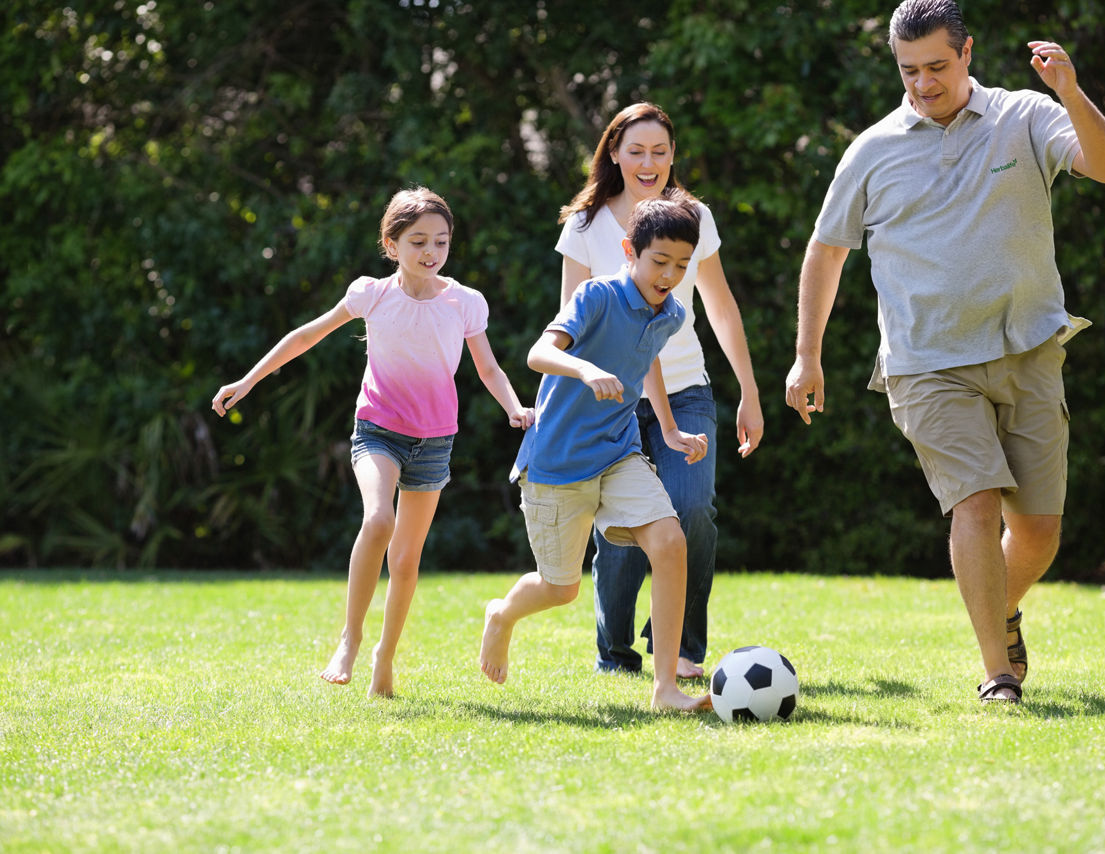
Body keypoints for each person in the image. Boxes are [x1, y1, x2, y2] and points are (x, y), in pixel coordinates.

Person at [784, 0, 1105, 703]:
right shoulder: (872, 150)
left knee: (1038, 531)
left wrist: (1070, 92)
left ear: (967, 52)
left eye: (937, 66)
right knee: (974, 503)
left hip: (1029, 347)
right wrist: (806, 354)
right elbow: (826, 251)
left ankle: (1000, 605)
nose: (923, 83)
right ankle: (998, 674)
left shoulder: (1024, 115)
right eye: (909, 70)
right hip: (926, 362)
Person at [212, 187, 533, 698]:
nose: (431, 252)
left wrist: (514, 407)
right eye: (418, 241)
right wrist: (248, 380)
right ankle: (350, 638)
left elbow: (489, 369)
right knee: (379, 519)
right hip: (378, 429)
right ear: (392, 245)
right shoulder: (372, 294)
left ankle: (385, 658)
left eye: (441, 241)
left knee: (405, 560)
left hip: (434, 440)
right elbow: (306, 336)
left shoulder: (465, 302)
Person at [479, 193, 713, 712]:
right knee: (560, 589)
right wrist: (585, 369)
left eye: (681, 265)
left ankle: (665, 690)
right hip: (557, 461)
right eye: (660, 261)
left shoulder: (671, 313)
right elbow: (538, 353)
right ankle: (502, 614)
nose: (670, 275)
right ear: (630, 251)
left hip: (618, 451)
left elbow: (648, 358)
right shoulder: (596, 296)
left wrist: (670, 430)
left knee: (670, 543)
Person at [556, 102, 763, 679]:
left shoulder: (694, 217)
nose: (649, 163)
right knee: (621, 528)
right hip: (613, 401)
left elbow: (720, 307)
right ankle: (615, 654)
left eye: (661, 151)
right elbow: (569, 324)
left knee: (692, 509)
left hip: (688, 390)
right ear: (614, 153)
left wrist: (749, 391)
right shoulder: (585, 226)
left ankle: (683, 649)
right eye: (637, 151)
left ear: (673, 156)